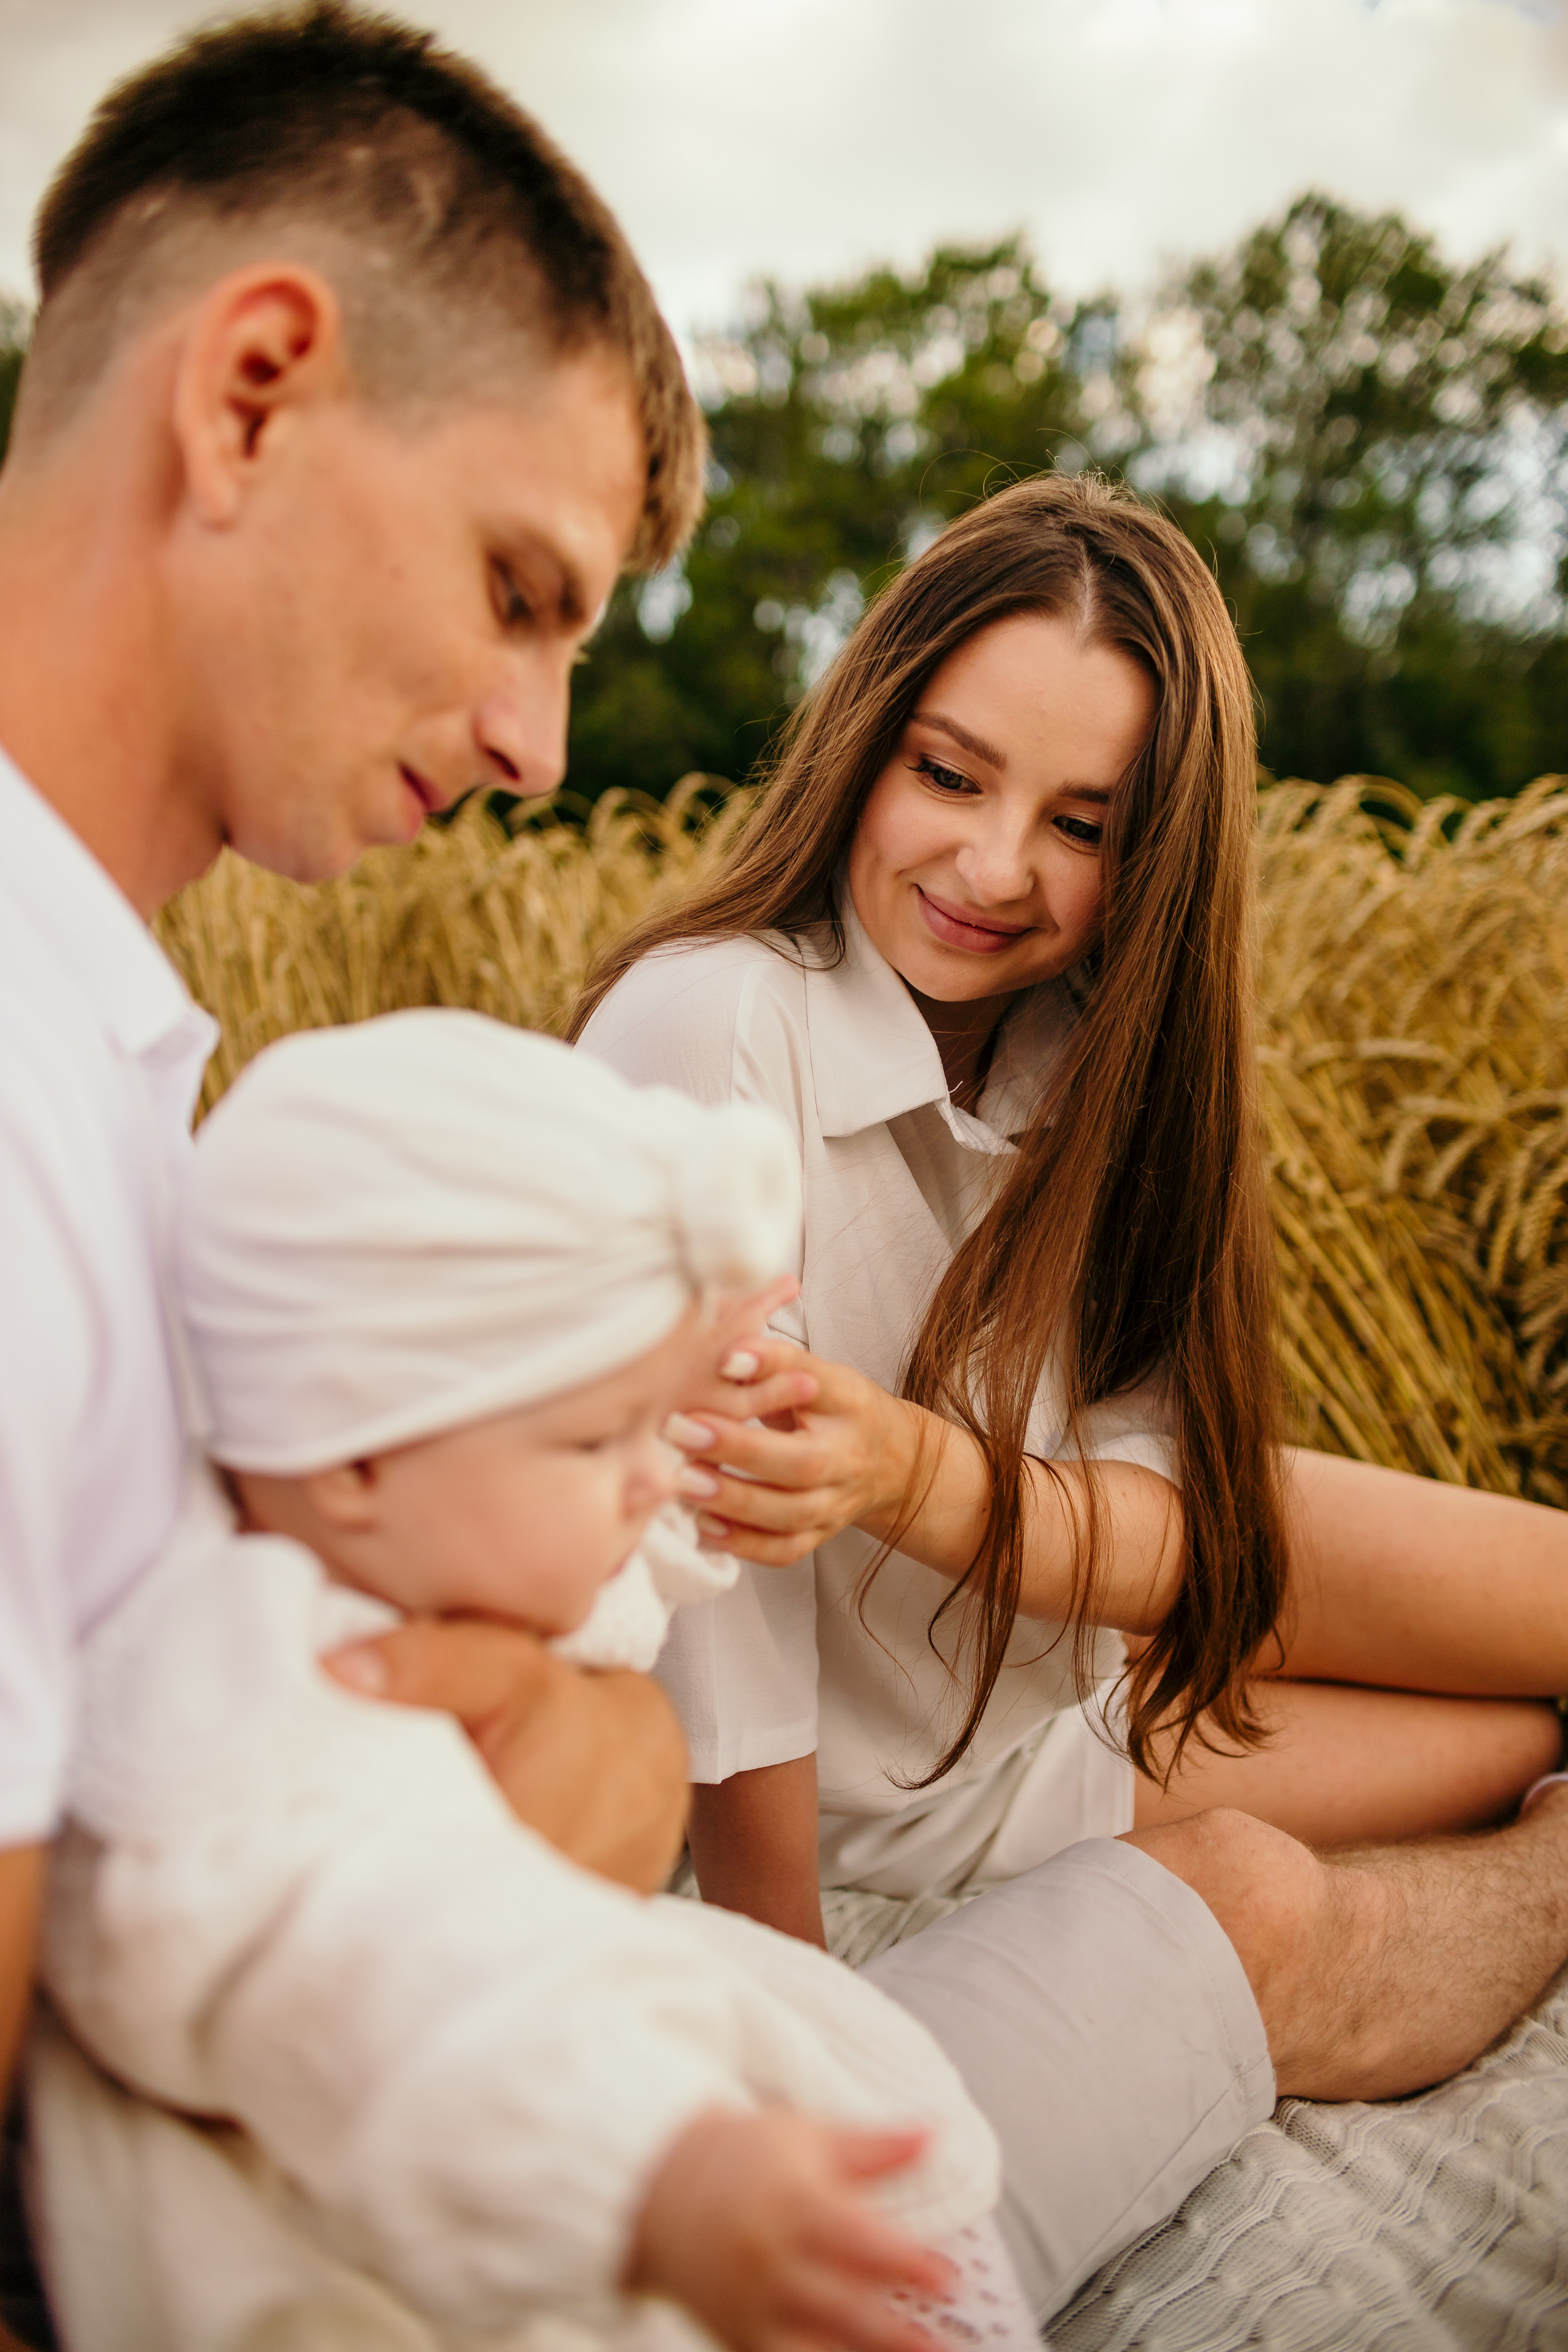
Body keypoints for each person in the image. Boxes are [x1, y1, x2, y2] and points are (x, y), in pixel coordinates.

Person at [0, 0, 711, 2155]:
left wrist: (592, 1743)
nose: (537, 747)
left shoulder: (109, 1049)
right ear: (250, 396)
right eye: (517, 591)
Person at [576, 473, 1567, 1951]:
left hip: (1087, 1624)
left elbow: (1168, 1530)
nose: (992, 869)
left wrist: (904, 1468)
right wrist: (787, 1987)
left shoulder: (1107, 1058)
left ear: (1155, 857)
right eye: (948, 775)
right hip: (928, 1770)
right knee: (1522, 1741)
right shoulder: (712, 1021)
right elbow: (720, 1590)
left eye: (1082, 824)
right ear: (863, 743)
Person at [31, 1009, 1048, 2352]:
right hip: (436, 2234)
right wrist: (653, 2173)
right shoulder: (268, 1699)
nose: (649, 1475)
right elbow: (407, 1985)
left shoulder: (386, 1543)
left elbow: (576, 1566)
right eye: (596, 1438)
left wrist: (654, 1380)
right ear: (355, 1461)